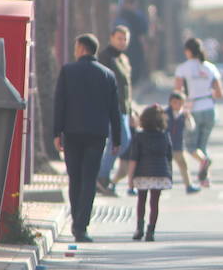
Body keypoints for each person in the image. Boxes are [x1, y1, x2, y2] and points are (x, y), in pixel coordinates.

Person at [53, 33, 123, 243]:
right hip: (97, 134)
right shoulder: (108, 75)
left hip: (72, 132)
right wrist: (117, 139)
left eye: (76, 47)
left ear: (82, 48)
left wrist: (57, 133)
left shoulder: (68, 71)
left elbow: (60, 104)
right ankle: (82, 226)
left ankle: (76, 221)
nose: (75, 51)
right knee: (89, 179)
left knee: (74, 178)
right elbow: (114, 110)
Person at [174, 38, 223, 186]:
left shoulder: (182, 68)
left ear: (188, 51)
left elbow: (177, 92)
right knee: (203, 145)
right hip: (209, 108)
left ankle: (204, 162)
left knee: (191, 146)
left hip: (192, 109)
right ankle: (205, 178)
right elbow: (220, 93)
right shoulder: (210, 68)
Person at [124, 104, 174, 241]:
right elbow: (169, 157)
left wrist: (130, 178)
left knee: (141, 200)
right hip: (160, 173)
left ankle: (139, 229)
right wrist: (169, 173)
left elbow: (134, 158)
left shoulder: (139, 137)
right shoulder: (165, 136)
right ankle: (151, 231)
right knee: (154, 203)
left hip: (142, 173)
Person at [97, 25, 135, 196]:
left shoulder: (124, 59)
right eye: (119, 38)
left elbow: (127, 86)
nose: (122, 42)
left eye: (125, 39)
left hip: (125, 108)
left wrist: (132, 110)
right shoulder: (105, 57)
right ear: (111, 38)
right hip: (112, 107)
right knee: (121, 141)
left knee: (120, 142)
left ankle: (104, 177)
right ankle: (102, 176)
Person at [165, 90, 201, 194]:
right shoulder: (165, 113)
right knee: (165, 166)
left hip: (178, 145)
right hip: (166, 145)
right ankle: (164, 184)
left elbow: (191, 127)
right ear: (171, 102)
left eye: (181, 103)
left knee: (184, 165)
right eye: (176, 102)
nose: (178, 105)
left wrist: (188, 117)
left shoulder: (183, 115)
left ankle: (189, 185)